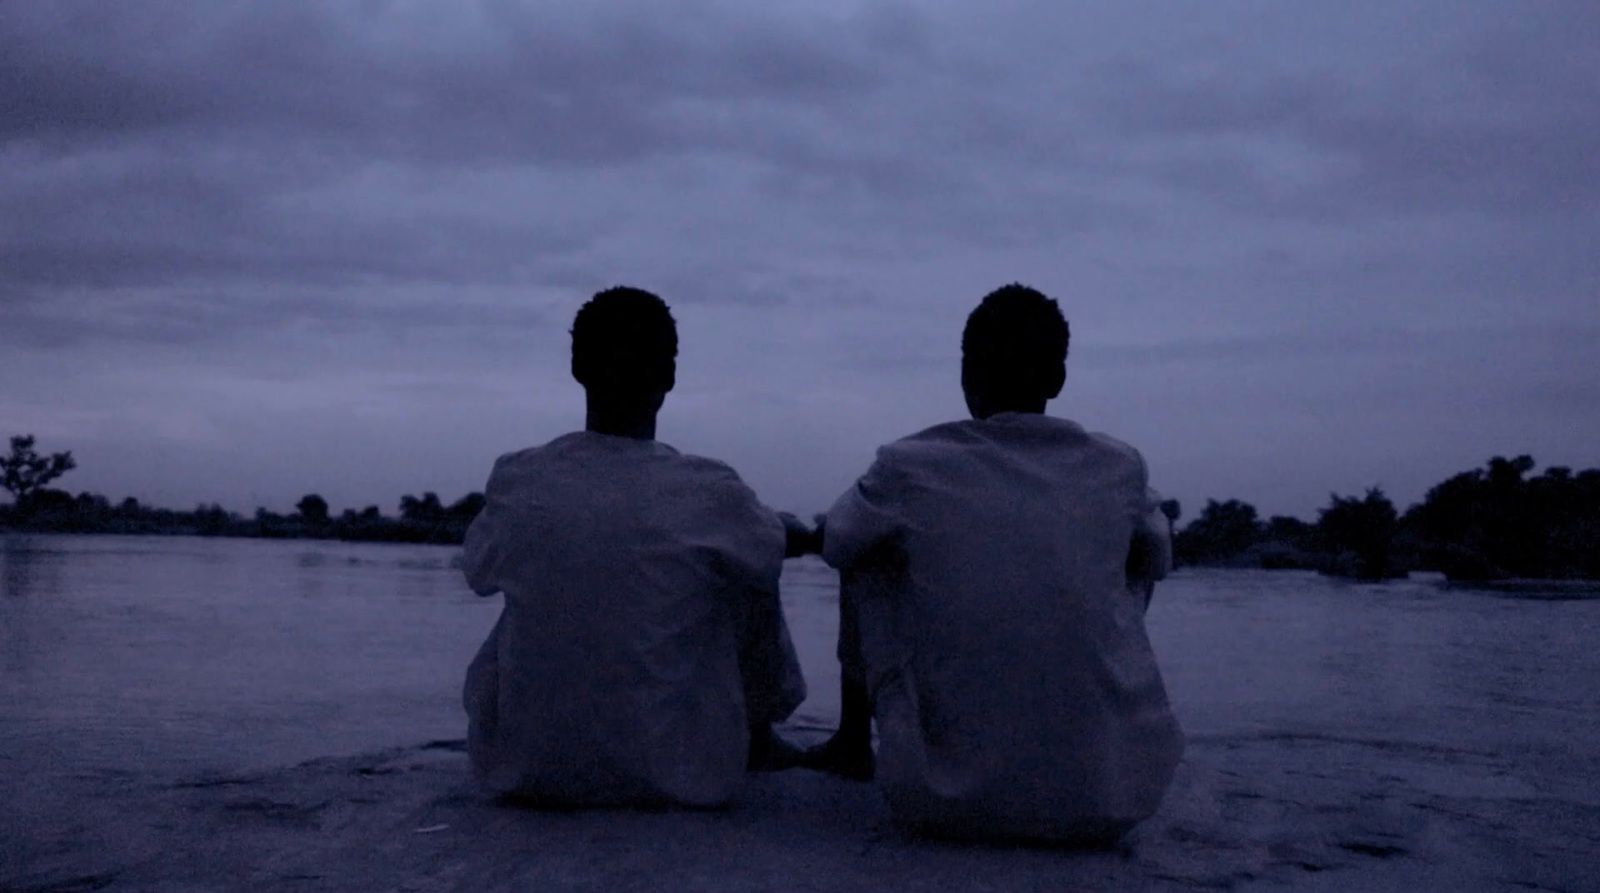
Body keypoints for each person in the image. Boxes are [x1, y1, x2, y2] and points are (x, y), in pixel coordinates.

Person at [806, 283, 1183, 844]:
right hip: (1110, 802)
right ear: (1057, 379)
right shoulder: (1118, 466)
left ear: (966, 375)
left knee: (867, 556)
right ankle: (1082, 731)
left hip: (937, 801)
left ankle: (852, 742)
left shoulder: (909, 465)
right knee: (1133, 555)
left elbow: (836, 541)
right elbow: (1157, 557)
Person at [460, 286, 809, 809]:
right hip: (678, 774)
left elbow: (479, 574)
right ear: (669, 376)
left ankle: (552, 732)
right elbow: (772, 545)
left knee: (534, 582)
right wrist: (783, 528)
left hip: (522, 770)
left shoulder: (522, 478)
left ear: (577, 367)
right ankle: (759, 736)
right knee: (749, 566)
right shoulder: (710, 491)